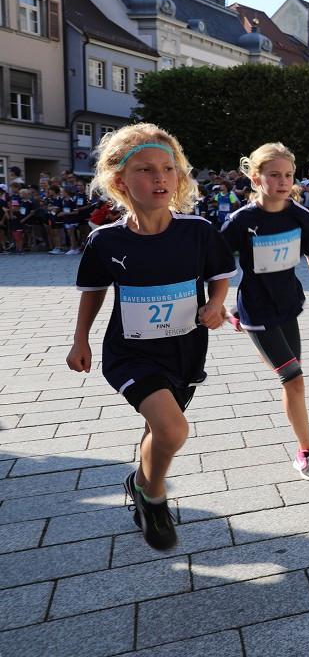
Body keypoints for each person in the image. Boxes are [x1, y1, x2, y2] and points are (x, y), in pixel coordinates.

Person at [66, 123, 236, 550]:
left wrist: (215, 305)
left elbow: (220, 276)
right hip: (130, 354)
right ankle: (153, 496)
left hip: (185, 351)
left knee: (160, 428)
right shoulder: (104, 241)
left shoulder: (198, 230)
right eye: (145, 169)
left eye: (168, 167)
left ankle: (140, 480)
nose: (159, 177)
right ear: (121, 181)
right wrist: (80, 339)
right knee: (173, 429)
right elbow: (93, 292)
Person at [221, 142, 309, 481]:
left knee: (290, 378)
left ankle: (242, 325)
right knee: (293, 378)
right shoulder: (241, 220)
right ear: (256, 178)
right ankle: (307, 452)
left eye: (288, 174)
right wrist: (211, 302)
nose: (283, 181)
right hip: (257, 307)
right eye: (274, 175)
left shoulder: (301, 216)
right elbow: (215, 266)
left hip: (288, 305)